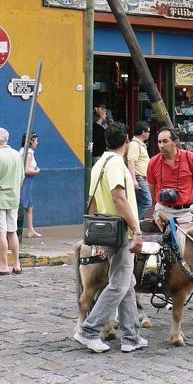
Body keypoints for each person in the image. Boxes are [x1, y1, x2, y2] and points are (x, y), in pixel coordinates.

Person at [74, 121, 145, 354]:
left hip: (106, 230)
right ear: (126, 141)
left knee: (127, 283)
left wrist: (98, 240)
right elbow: (119, 197)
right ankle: (89, 330)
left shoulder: (98, 164)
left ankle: (131, 336)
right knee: (119, 284)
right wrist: (137, 230)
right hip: (120, 231)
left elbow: (93, 202)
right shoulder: (116, 164)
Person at [145, 127, 193, 226]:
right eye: (159, 142)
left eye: (165, 141)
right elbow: (152, 188)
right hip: (163, 212)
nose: (161, 145)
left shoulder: (190, 158)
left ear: (175, 142)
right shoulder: (153, 162)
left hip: (187, 212)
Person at [0, 127, 24, 275]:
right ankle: (17, 264)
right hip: (14, 198)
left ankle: (4, 265)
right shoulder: (16, 155)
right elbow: (21, 179)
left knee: (1, 231)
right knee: (12, 231)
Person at [127, 121, 152, 219]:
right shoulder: (134, 144)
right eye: (148, 132)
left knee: (139, 203)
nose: (149, 134)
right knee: (147, 202)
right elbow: (131, 161)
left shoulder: (140, 144)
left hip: (143, 178)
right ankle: (135, 223)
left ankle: (134, 223)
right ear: (143, 132)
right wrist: (134, 180)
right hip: (139, 178)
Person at [19, 133, 41, 237]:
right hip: (26, 181)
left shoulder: (23, 151)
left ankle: (31, 229)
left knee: (29, 206)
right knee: (23, 204)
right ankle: (18, 230)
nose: (37, 143)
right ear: (31, 142)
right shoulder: (28, 153)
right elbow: (26, 169)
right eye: (36, 141)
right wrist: (36, 171)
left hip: (27, 182)